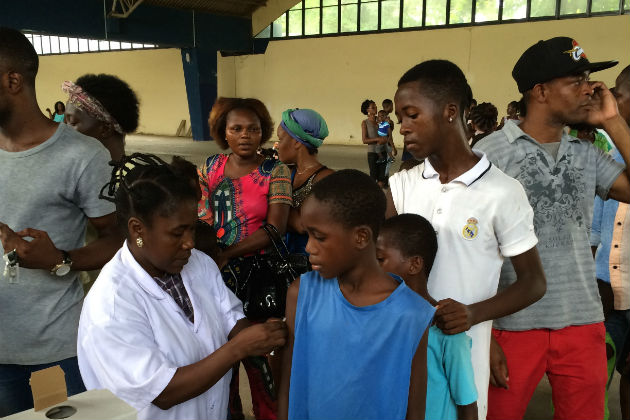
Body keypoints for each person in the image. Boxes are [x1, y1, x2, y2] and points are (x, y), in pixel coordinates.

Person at [474, 37, 630, 420]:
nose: (590, 89)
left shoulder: (587, 153)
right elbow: (469, 247)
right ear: (540, 91)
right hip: (511, 323)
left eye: (589, 79)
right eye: (576, 80)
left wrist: (612, 120)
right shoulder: (489, 154)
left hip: (581, 321)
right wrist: (483, 333)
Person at [387, 59, 546, 419]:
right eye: (400, 120)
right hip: (403, 353)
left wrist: (474, 315)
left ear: (450, 111)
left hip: (463, 362)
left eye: (412, 115)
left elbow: (534, 283)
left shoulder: (502, 192)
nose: (404, 129)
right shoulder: (402, 186)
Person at [77, 153, 288, 420]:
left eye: (192, 229)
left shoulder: (198, 263)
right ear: (137, 229)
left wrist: (264, 334)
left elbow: (229, 316)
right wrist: (237, 349)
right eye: (178, 233)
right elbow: (163, 392)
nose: (190, 242)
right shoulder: (113, 304)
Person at [0, 27, 122, 416]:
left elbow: (120, 240)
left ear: (12, 80)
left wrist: (59, 258)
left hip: (53, 352)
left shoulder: (82, 156)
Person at [278, 169, 435, 420]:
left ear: (361, 237)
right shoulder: (302, 294)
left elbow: (414, 409)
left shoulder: (412, 313)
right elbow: (288, 385)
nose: (308, 247)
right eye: (308, 235)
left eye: (319, 237)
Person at [198, 97, 292, 420]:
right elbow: (201, 219)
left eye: (253, 129)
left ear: (262, 132)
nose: (245, 135)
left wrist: (226, 254)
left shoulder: (275, 171)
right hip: (215, 280)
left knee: (260, 364)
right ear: (223, 132)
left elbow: (275, 228)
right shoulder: (209, 168)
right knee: (221, 362)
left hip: (258, 281)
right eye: (236, 128)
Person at [376, 214, 478, 420]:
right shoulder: (380, 322)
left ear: (414, 265)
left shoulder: (445, 330)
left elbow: (467, 405)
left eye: (380, 260)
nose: (371, 269)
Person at [591, 64, 630, 420]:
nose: (613, 99)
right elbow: (593, 226)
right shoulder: (609, 157)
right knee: (593, 379)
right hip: (605, 289)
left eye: (619, 93)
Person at [275, 108, 333, 255]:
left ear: (296, 142)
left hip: (309, 262)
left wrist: (273, 210)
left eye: (281, 139)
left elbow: (302, 224)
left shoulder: (326, 179)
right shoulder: (288, 173)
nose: (277, 146)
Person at [63, 74, 140, 162]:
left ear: (106, 128)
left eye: (72, 122)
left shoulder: (139, 175)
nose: (63, 130)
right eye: (65, 122)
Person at [361, 99, 387, 186]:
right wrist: (377, 139)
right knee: (373, 176)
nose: (375, 108)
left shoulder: (381, 120)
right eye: (373, 107)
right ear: (367, 110)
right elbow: (364, 140)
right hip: (372, 153)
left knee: (382, 177)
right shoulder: (365, 123)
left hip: (383, 151)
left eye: (375, 106)